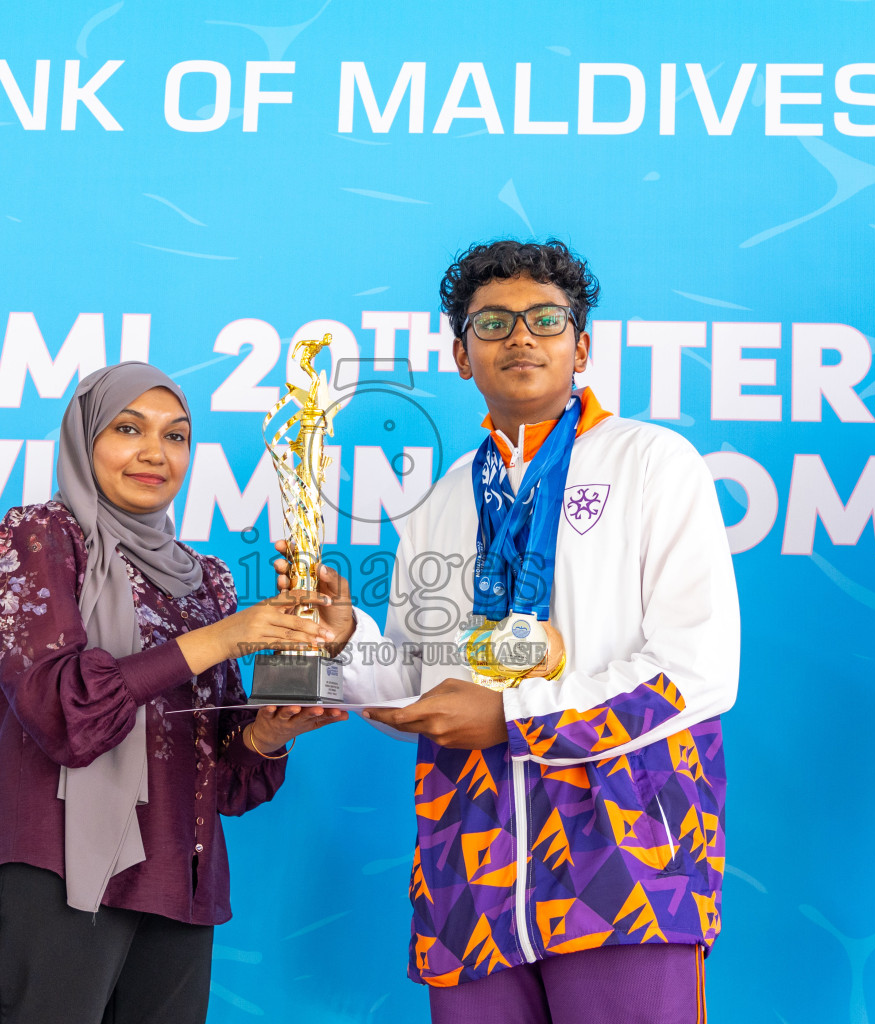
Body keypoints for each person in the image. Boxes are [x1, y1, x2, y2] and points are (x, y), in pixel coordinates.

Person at [286, 240, 740, 1023]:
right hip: (472, 868)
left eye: (545, 320)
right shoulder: (441, 501)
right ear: (462, 356)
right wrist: (344, 639)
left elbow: (696, 670)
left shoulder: (652, 464)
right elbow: (421, 681)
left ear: (581, 347)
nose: (520, 337)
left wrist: (511, 717)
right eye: (492, 323)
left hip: (625, 859)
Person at [0, 361, 346, 1024]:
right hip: (57, 873)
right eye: (128, 428)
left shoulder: (207, 582)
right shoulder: (39, 537)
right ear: (85, 442)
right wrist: (226, 638)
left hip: (177, 880)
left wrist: (268, 733)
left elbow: (221, 779)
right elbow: (64, 711)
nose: (154, 452)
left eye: (176, 436)